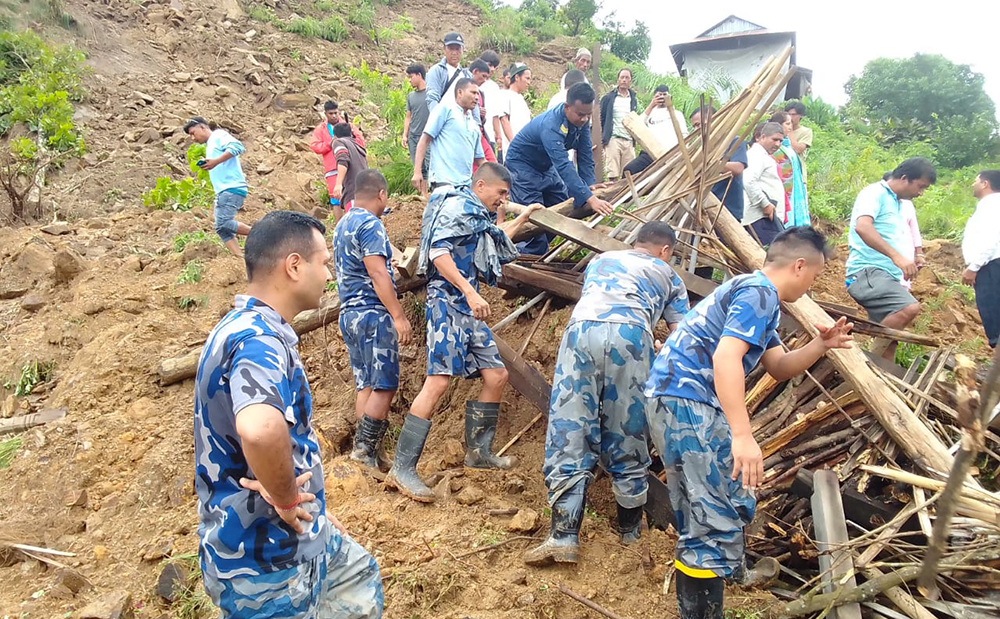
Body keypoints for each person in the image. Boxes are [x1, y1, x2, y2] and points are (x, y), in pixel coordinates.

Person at [644, 226, 853, 619]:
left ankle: (731, 570)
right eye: (816, 275)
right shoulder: (759, 293)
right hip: (687, 402)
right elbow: (726, 359)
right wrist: (742, 434)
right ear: (799, 265)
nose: (813, 284)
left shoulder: (758, 296)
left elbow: (778, 367)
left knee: (734, 492)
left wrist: (820, 345)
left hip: (684, 401)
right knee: (707, 517)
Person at [194, 210, 384, 618]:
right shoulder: (258, 340)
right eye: (325, 263)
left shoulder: (244, 326)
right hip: (265, 559)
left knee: (357, 576)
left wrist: (309, 505)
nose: (330, 275)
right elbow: (260, 430)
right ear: (294, 266)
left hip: (290, 537)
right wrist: (286, 497)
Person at [524, 222, 689, 567]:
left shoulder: (602, 260)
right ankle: (630, 533)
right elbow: (680, 336)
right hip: (631, 336)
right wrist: (658, 352)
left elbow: (599, 298)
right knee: (628, 430)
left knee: (569, 427)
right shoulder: (670, 274)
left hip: (581, 330)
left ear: (636, 242)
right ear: (665, 250)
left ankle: (563, 536)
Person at [385, 164, 544, 502]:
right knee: (438, 382)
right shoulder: (458, 207)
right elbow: (438, 253)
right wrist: (470, 292)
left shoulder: (478, 216)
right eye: (500, 193)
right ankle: (402, 467)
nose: (503, 200)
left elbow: (499, 239)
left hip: (468, 310)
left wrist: (526, 215)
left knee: (497, 374)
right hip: (447, 304)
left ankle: (479, 452)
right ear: (481, 185)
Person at [333, 170, 413, 470]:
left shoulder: (342, 224)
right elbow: (378, 273)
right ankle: (363, 453)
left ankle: (370, 454)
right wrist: (398, 315)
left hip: (349, 314)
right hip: (372, 315)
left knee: (365, 385)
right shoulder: (371, 224)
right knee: (384, 385)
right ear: (381, 194)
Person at [505, 82, 615, 255]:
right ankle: (525, 260)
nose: (585, 119)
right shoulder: (551, 125)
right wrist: (590, 199)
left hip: (545, 166)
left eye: (588, 115)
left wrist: (589, 186)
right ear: (567, 107)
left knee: (560, 206)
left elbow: (585, 154)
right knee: (535, 217)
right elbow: (563, 164)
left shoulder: (582, 121)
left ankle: (535, 249)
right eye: (580, 114)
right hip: (522, 166)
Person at [845, 158, 936, 357]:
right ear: (905, 178)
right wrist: (897, 257)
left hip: (886, 276)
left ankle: (882, 377)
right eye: (920, 187)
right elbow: (863, 227)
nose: (921, 193)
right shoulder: (874, 193)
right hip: (867, 273)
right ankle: (861, 360)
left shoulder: (897, 202)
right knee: (909, 307)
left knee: (891, 340)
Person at [184, 117, 252, 256]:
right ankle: (240, 257)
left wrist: (215, 161)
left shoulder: (218, 135)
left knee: (224, 223)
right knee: (221, 228)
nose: (192, 138)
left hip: (231, 188)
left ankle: (262, 233)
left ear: (202, 127)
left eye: (193, 133)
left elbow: (238, 147)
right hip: (223, 190)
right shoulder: (211, 144)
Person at [411, 78, 485, 196]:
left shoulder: (474, 124)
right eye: (473, 92)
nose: (477, 97)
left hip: (465, 185)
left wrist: (497, 178)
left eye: (478, 94)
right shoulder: (445, 109)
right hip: (443, 182)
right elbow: (425, 140)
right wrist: (417, 172)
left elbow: (480, 159)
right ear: (460, 92)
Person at [962, 170, 1000, 348]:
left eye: (975, 180)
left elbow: (991, 238)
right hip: (991, 265)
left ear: (985, 184)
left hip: (991, 267)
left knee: (995, 319)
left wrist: (974, 267)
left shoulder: (991, 206)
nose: (972, 184)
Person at [623, 84, 688, 177]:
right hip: (649, 154)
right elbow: (636, 125)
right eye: (658, 95)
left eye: (664, 95)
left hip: (670, 154)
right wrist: (651, 105)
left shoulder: (677, 114)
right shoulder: (650, 113)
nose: (661, 97)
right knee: (629, 170)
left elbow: (684, 134)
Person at [742, 122, 786, 246]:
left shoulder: (763, 156)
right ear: (762, 137)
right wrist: (765, 203)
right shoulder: (756, 155)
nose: (778, 144)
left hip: (765, 216)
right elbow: (748, 180)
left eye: (780, 141)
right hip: (759, 218)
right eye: (774, 139)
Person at [879, 172, 924, 290]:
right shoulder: (879, 198)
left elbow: (914, 229)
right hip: (883, 250)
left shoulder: (907, 204)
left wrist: (918, 253)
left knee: (903, 285)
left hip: (904, 247)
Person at [426, 31, 478, 121]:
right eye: (451, 49)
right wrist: (437, 121)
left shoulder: (467, 75)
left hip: (465, 123)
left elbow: (474, 103)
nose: (454, 53)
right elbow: (432, 99)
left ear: (462, 50)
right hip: (446, 122)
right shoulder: (437, 71)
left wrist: (477, 124)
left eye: (457, 49)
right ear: (444, 49)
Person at [769, 111, 810, 227]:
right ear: (778, 125)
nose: (790, 126)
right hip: (785, 191)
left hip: (796, 189)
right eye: (787, 123)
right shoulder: (774, 148)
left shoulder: (788, 146)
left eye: (791, 123)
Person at [600, 68, 638, 181]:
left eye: (627, 78)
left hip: (629, 140)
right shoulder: (609, 98)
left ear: (630, 81)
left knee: (628, 174)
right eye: (622, 77)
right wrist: (603, 137)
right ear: (618, 80)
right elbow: (601, 117)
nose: (624, 80)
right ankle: (613, 198)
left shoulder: (633, 99)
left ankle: (626, 199)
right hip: (613, 139)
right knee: (613, 174)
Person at [331, 122, 368, 222]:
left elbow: (343, 159)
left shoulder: (338, 142)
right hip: (367, 194)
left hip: (353, 195)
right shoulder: (358, 146)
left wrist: (338, 184)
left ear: (335, 136)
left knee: (355, 227)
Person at [497, 62, 532, 156]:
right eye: (527, 78)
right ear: (517, 77)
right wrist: (515, 145)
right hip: (514, 152)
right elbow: (504, 120)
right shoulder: (505, 95)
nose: (529, 82)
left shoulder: (521, 98)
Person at [403, 64, 429, 179]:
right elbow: (408, 116)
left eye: (411, 76)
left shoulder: (431, 94)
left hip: (428, 136)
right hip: (413, 137)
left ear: (419, 75)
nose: (409, 80)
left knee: (430, 166)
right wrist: (405, 135)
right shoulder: (410, 96)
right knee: (418, 169)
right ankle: (423, 194)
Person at [470, 58, 498, 165]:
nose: (484, 80)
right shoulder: (461, 87)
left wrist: (482, 116)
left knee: (492, 166)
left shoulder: (481, 93)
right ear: (475, 72)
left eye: (487, 77)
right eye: (483, 76)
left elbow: (481, 121)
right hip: (468, 135)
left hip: (481, 134)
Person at [478, 50, 503, 153]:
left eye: (494, 66)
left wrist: (498, 136)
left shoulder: (494, 87)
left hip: (489, 137)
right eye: (489, 65)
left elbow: (495, 114)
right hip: (475, 133)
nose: (492, 69)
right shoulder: (472, 83)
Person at [784, 100, 813, 179]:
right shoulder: (779, 130)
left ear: (801, 116)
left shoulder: (806, 132)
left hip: (798, 174)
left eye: (793, 115)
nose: (790, 117)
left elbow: (797, 149)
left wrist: (789, 130)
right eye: (788, 114)